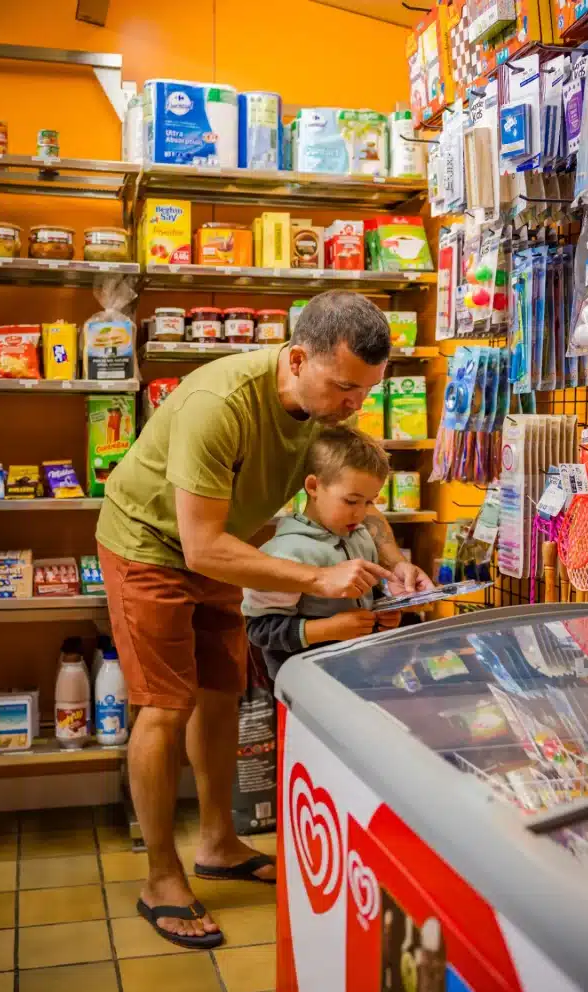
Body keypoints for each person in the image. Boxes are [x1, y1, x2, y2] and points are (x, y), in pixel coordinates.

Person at [96, 290, 433, 949]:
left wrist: (395, 561)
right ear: (297, 358)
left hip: (226, 545)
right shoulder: (219, 404)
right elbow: (200, 549)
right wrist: (316, 578)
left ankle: (218, 843)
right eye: (344, 388)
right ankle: (160, 878)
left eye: (365, 390)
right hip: (149, 544)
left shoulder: (323, 407)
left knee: (221, 693)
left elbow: (358, 491)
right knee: (164, 705)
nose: (354, 405)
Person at [243, 425, 402, 680]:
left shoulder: (362, 536)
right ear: (313, 486)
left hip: (358, 675)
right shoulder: (284, 553)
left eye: (369, 502)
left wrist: (383, 613)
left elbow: (369, 595)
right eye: (351, 501)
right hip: (304, 684)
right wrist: (330, 629)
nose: (361, 513)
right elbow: (261, 630)